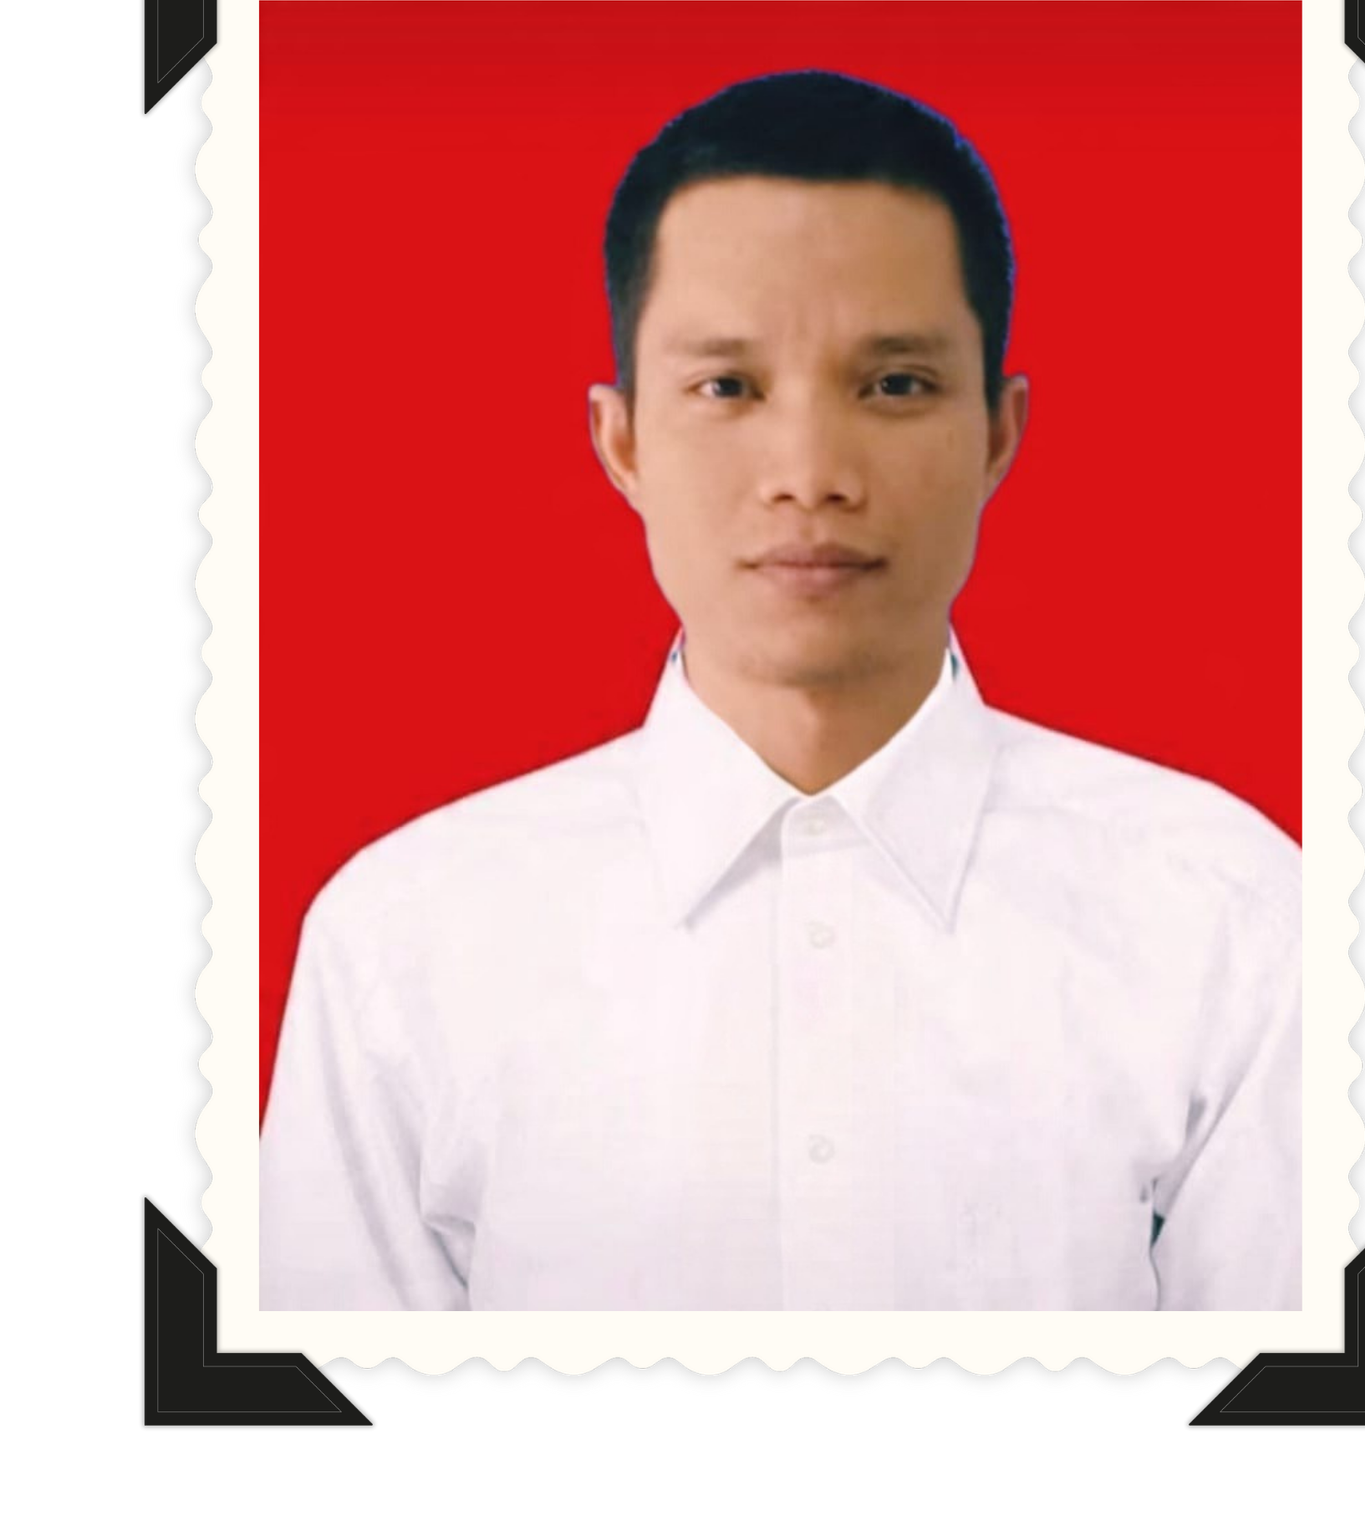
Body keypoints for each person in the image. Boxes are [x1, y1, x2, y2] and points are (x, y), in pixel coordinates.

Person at [259, 69, 1301, 1312]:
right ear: (621, 441)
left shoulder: (1226, 917)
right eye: (728, 387)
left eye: (895, 384)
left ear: (997, 432)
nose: (809, 472)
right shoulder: (402, 942)